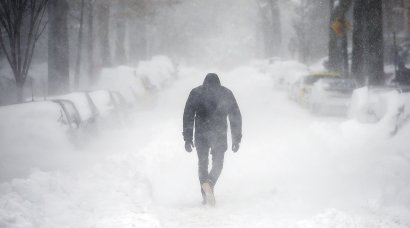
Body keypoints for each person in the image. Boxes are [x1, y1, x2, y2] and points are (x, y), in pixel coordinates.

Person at [183, 73, 242, 206]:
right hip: (219, 133)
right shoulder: (226, 93)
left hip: (201, 134)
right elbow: (235, 116)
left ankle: (205, 192)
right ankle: (210, 182)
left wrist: (187, 138)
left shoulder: (196, 92)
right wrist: (236, 139)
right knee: (218, 164)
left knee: (202, 164)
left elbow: (188, 115)